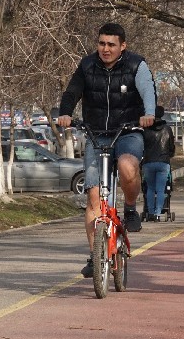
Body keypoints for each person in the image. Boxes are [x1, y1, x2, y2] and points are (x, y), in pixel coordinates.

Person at [58, 22, 156, 277]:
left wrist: (149, 114)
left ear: (122, 46)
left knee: (126, 165)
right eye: (102, 43)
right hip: (96, 135)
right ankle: (95, 256)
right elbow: (72, 91)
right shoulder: (87, 66)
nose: (105, 48)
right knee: (93, 197)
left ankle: (132, 207)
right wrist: (65, 113)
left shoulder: (136, 64)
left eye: (111, 44)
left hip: (128, 132)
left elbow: (148, 90)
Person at [142, 105, 175, 221]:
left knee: (150, 188)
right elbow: (171, 146)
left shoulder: (146, 130)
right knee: (161, 189)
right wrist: (169, 154)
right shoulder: (167, 129)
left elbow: (142, 146)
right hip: (163, 162)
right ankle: (157, 213)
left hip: (148, 162)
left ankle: (150, 213)